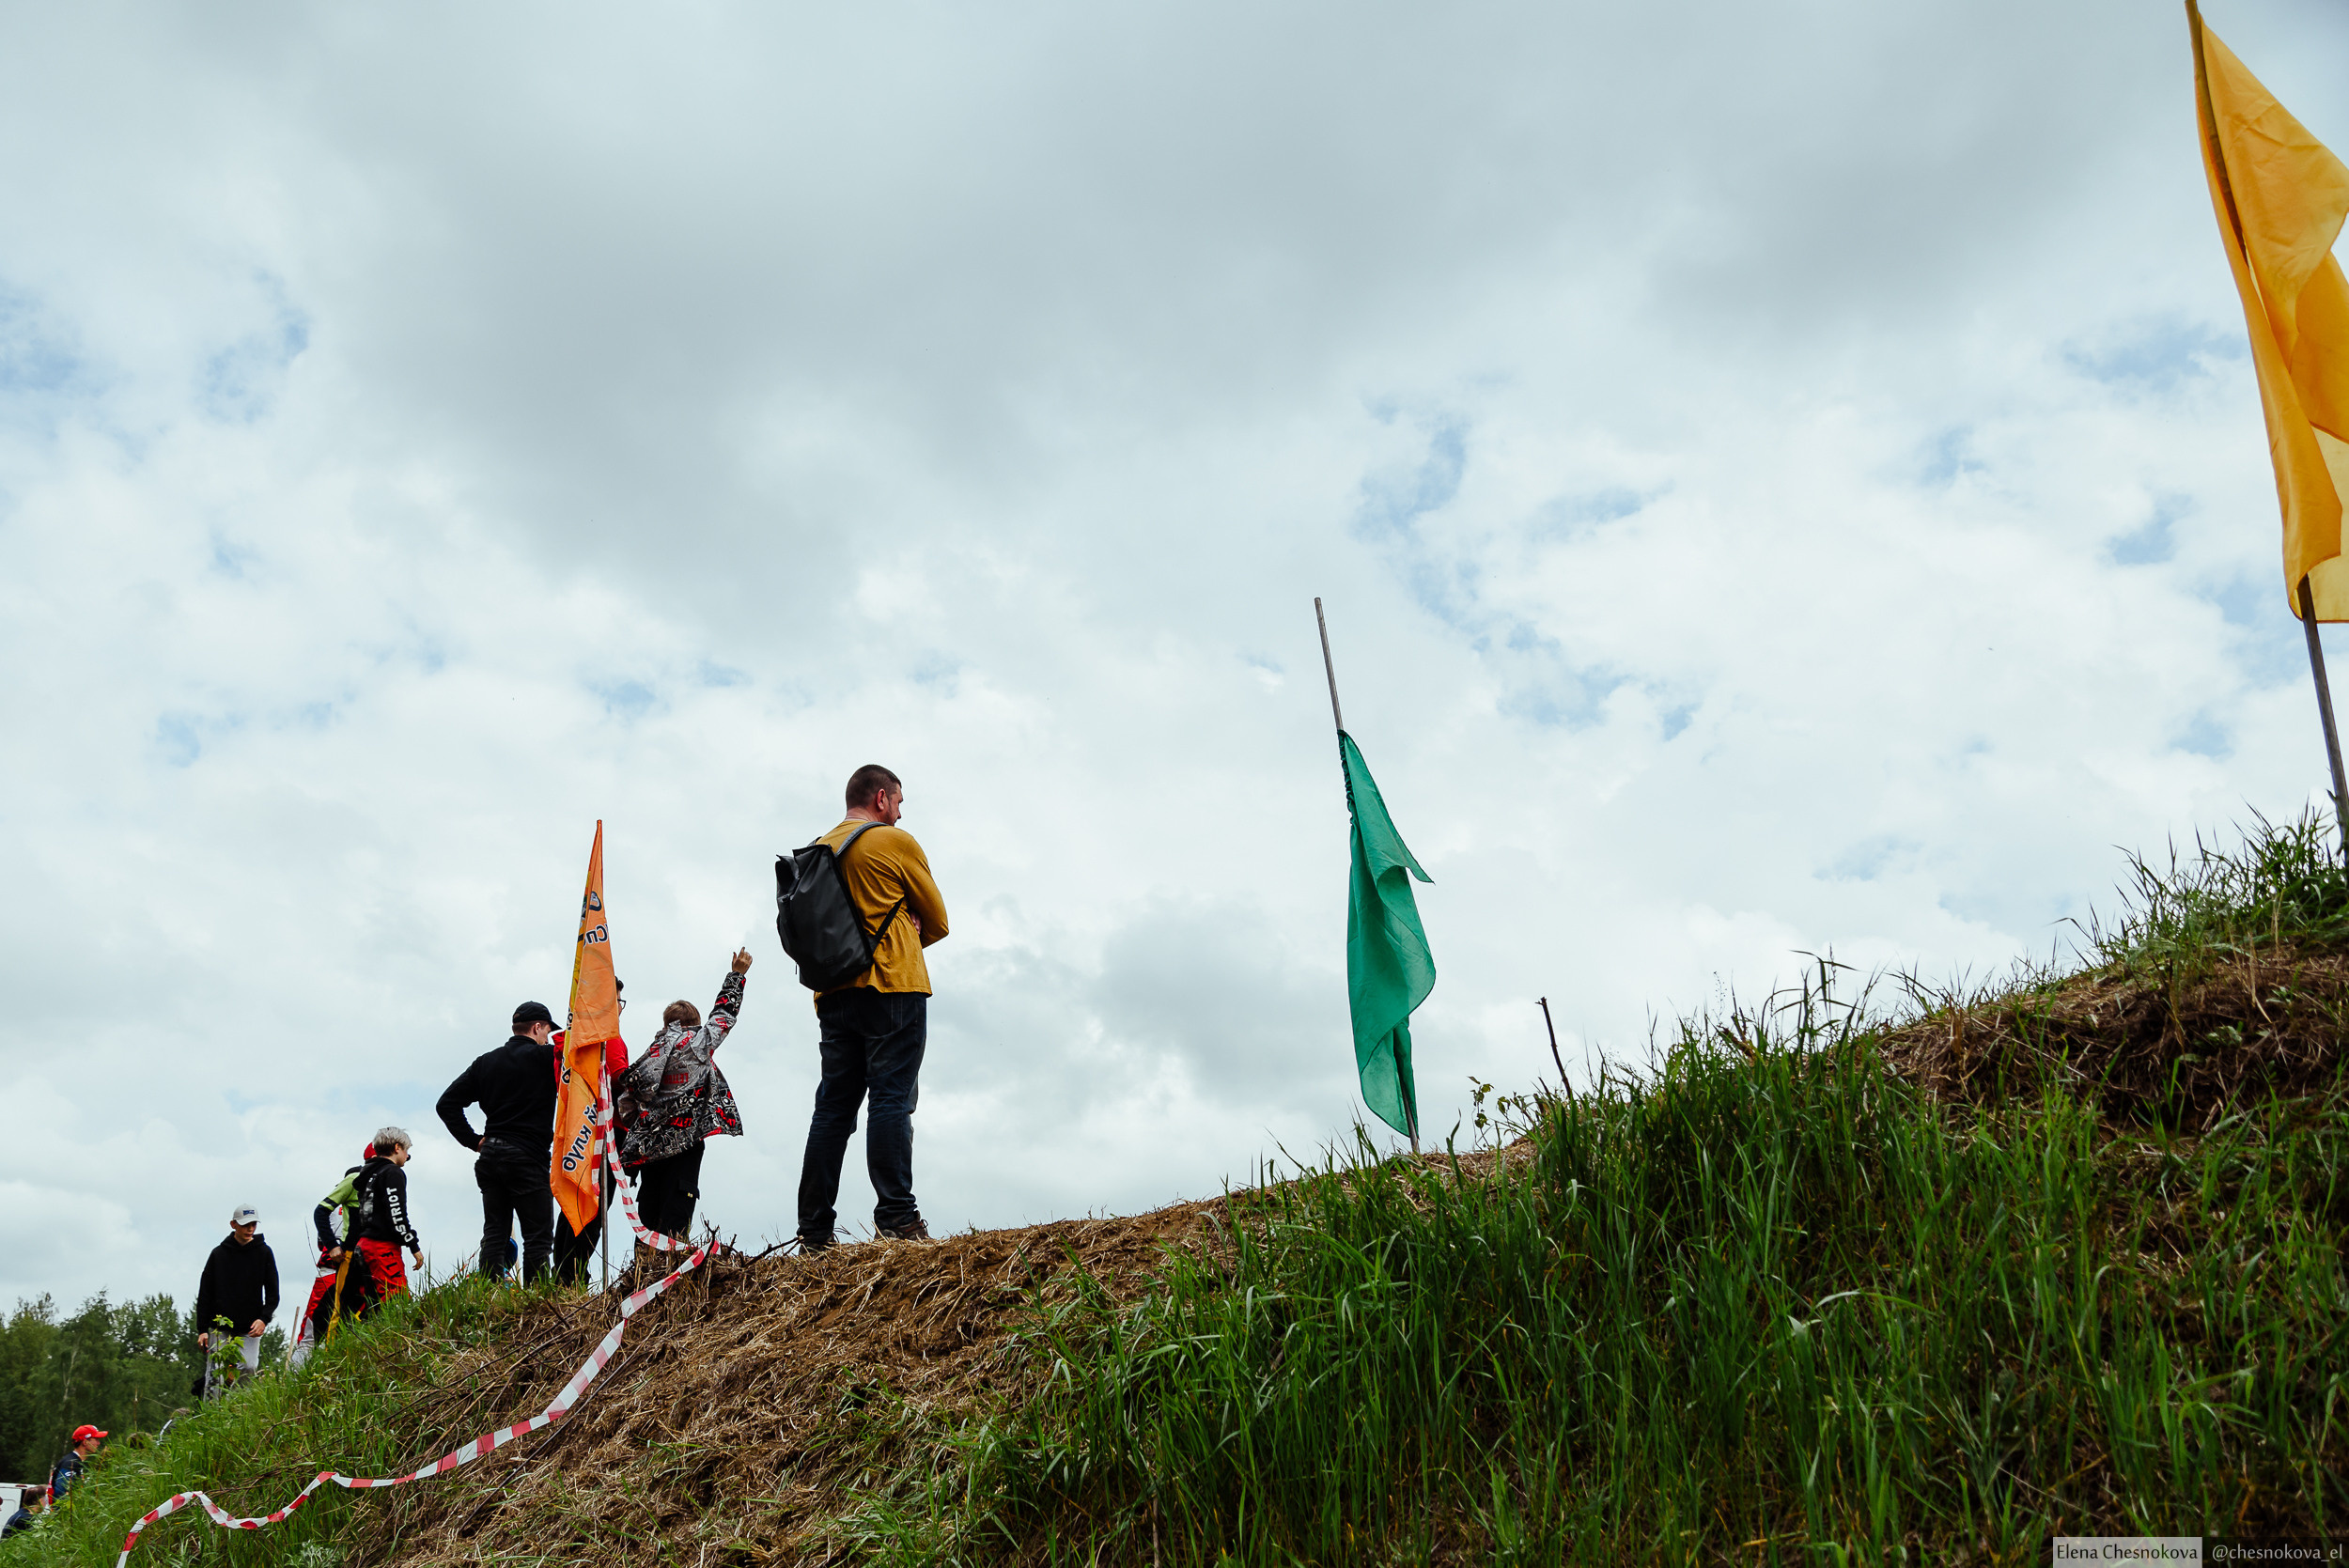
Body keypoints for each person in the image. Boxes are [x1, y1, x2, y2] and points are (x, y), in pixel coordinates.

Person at [793, 764, 950, 1250]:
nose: (900, 814)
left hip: (833, 994)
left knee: (832, 1111)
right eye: (899, 803)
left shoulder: (818, 849)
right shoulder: (893, 843)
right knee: (891, 1099)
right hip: (892, 986)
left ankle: (815, 1231)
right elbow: (939, 921)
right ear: (881, 798)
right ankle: (898, 1218)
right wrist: (910, 922)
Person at [618, 951, 753, 1247]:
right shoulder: (698, 1044)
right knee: (678, 1206)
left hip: (649, 1146)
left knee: (649, 1210)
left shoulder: (651, 1052)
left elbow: (626, 1101)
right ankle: (673, 1266)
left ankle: (644, 1270)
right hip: (686, 1140)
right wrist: (736, 976)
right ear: (694, 1023)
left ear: (666, 1023)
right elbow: (723, 1017)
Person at [436, 1002, 562, 1281]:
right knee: (538, 1237)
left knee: (495, 1233)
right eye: (547, 1031)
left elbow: (446, 1104)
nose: (548, 1037)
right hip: (528, 1156)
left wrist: (474, 1141)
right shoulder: (546, 1058)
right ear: (537, 1027)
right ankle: (538, 1302)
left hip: (491, 1154)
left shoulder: (486, 1061)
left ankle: (489, 1295)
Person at [552, 981, 630, 1285]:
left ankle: (562, 1277)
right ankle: (574, 1278)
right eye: (618, 1003)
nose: (620, 1011)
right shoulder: (608, 1040)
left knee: (573, 1207)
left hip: (573, 1132)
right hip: (606, 1134)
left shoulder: (566, 1041)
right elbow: (622, 1082)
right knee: (594, 1211)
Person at [289, 1144, 373, 1369]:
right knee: (352, 1321)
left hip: (329, 1271)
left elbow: (320, 1242)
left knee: (310, 1333)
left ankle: (297, 1376)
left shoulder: (336, 1204)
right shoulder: (365, 1200)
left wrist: (332, 1245)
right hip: (359, 1268)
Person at [194, 1206, 280, 1389]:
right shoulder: (218, 1254)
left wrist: (263, 1319)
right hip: (220, 1326)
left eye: (253, 1224)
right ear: (234, 1225)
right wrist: (202, 1329)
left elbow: (273, 1293)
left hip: (250, 1327)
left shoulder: (264, 1252)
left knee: (249, 1367)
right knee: (216, 1371)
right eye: (245, 1225)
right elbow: (205, 1293)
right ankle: (212, 1411)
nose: (250, 1229)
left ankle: (242, 1409)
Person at [346, 1126, 424, 1310]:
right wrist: (413, 1245)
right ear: (397, 1148)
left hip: (362, 1245)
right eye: (407, 1151)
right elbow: (396, 1213)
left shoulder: (366, 1175)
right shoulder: (392, 1172)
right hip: (382, 1247)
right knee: (398, 1305)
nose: (407, 1157)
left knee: (369, 1305)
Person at [48, 1427, 101, 1503]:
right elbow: (60, 1493)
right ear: (85, 1442)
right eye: (96, 1439)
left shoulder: (76, 1461)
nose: (98, 1443)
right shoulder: (71, 1463)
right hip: (61, 1513)